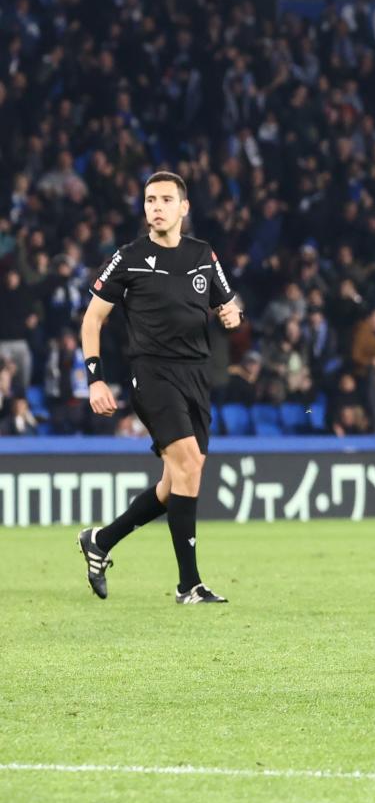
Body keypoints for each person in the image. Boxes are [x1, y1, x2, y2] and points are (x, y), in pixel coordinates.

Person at [75, 172, 243, 603]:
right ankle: (189, 585)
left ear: (184, 208)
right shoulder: (129, 257)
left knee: (180, 479)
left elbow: (228, 305)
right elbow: (92, 319)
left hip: (196, 376)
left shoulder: (204, 255)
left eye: (166, 199)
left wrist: (233, 316)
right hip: (152, 373)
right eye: (150, 199)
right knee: (188, 463)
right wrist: (95, 377)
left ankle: (101, 541)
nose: (157, 206)